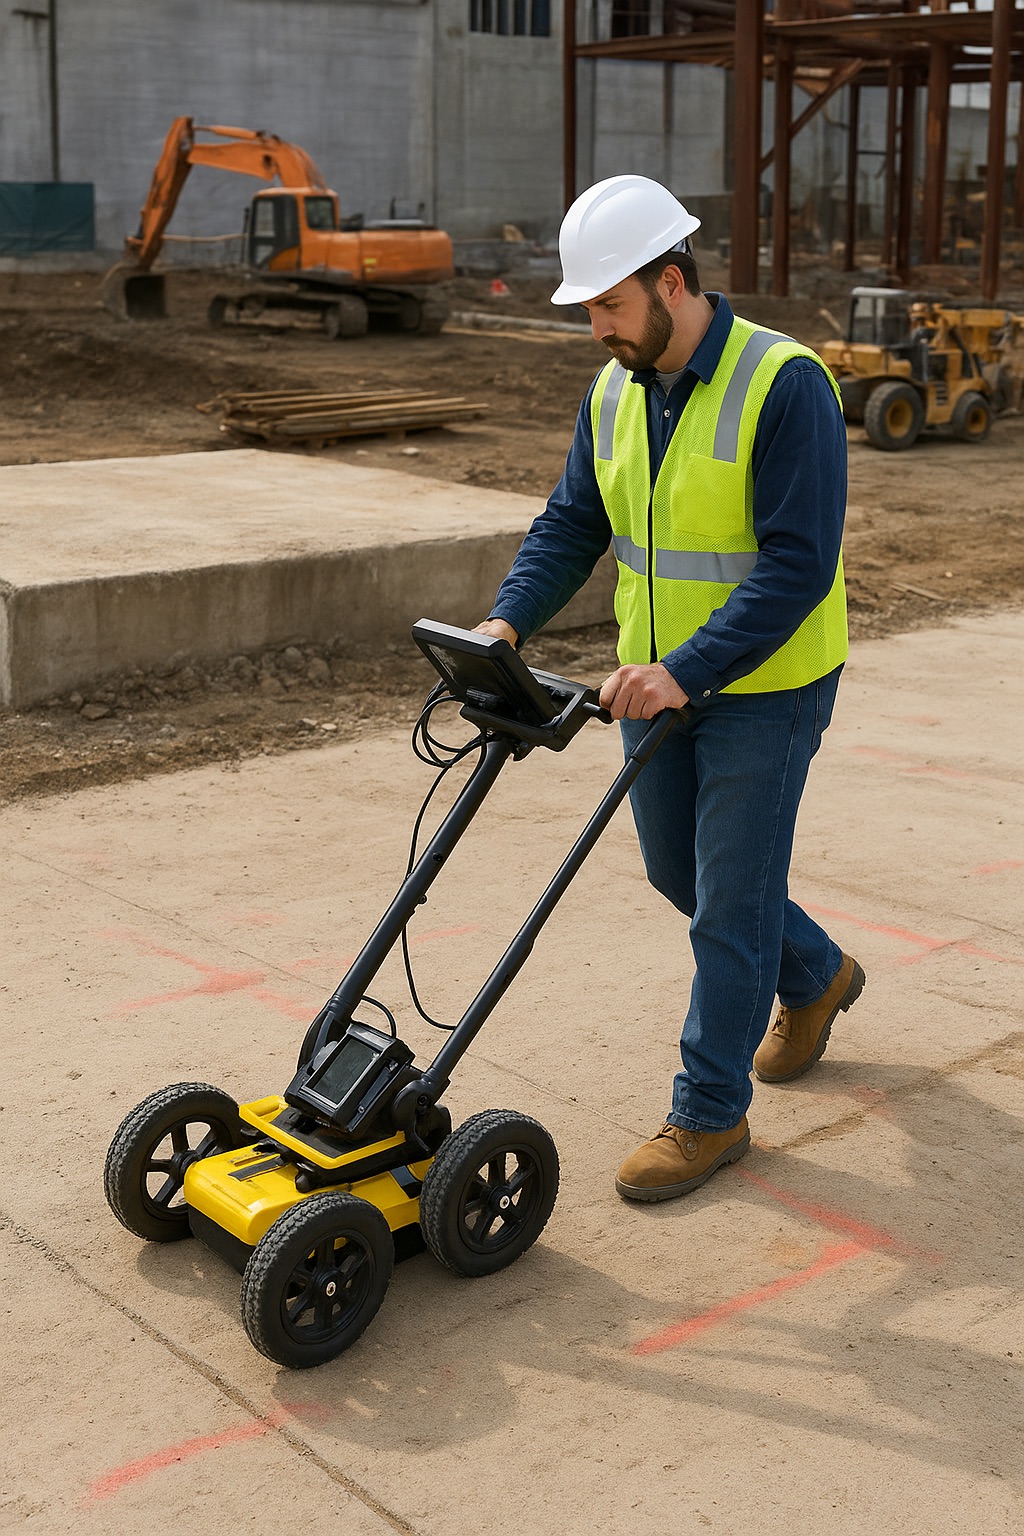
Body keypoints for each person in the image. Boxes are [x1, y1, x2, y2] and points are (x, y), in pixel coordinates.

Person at [476, 174, 864, 1203]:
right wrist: (504, 621)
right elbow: (573, 523)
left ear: (673, 284)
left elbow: (796, 566)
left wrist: (685, 670)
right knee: (678, 876)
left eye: (608, 305)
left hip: (765, 691)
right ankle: (818, 973)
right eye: (590, 308)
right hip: (656, 690)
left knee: (726, 907)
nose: (595, 327)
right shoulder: (614, 390)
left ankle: (707, 1115)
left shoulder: (784, 384)